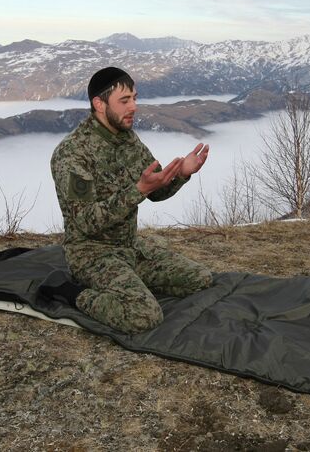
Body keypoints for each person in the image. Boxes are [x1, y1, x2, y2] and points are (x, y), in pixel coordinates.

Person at [50, 67, 213, 334]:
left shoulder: (128, 141)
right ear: (99, 104)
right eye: (125, 101)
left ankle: (128, 283)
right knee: (143, 317)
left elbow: (156, 190)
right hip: (92, 255)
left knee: (200, 279)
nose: (134, 107)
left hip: (129, 248)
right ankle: (73, 294)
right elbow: (85, 222)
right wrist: (137, 190)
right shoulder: (73, 154)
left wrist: (182, 174)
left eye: (134, 98)